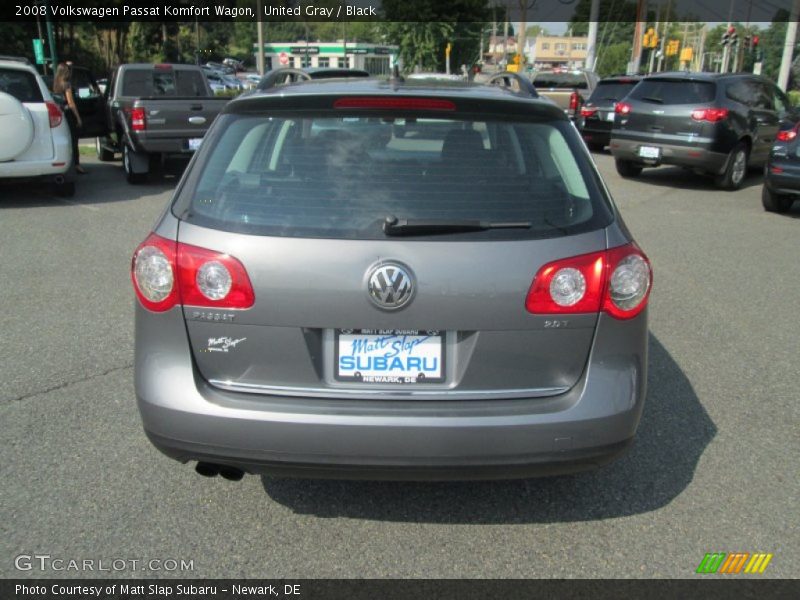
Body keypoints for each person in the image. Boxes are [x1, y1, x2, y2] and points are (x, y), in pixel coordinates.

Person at [52, 62, 87, 174]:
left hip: (60, 113)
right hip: (68, 114)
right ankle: (76, 164)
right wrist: (78, 117)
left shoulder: (55, 84)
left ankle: (68, 162)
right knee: (73, 140)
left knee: (65, 138)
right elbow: (71, 102)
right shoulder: (66, 84)